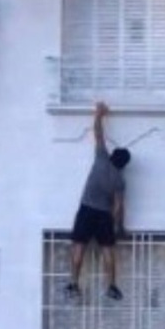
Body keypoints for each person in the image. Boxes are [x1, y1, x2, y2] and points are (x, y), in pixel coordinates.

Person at [65, 101, 131, 301]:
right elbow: (118, 207)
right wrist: (119, 226)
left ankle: (74, 284)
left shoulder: (101, 158)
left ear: (112, 156)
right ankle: (112, 285)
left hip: (86, 210)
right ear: (123, 165)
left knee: (79, 248)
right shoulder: (120, 180)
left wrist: (98, 114)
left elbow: (98, 133)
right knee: (107, 251)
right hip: (104, 215)